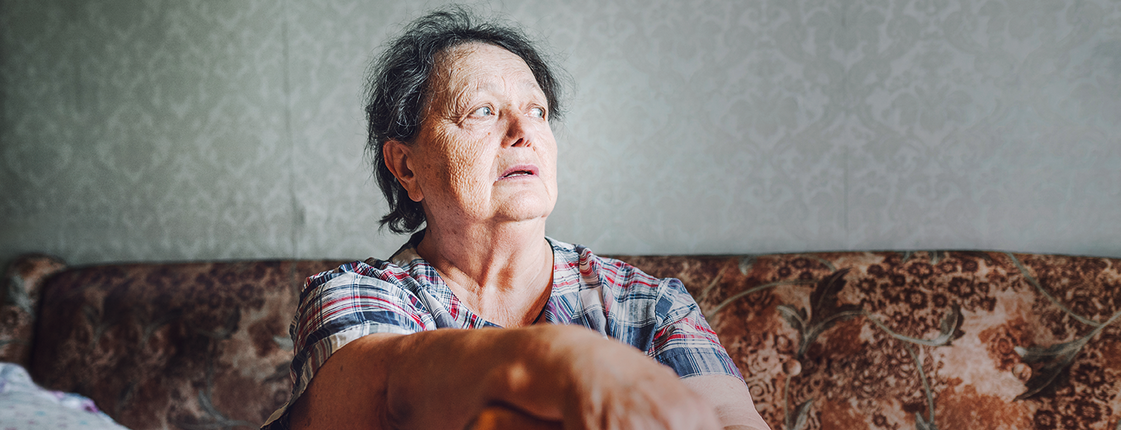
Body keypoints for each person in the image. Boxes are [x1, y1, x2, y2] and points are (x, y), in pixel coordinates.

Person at [262, 6, 770, 430]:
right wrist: (556, 360)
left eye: (538, 111)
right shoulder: (357, 294)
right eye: (482, 110)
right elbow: (388, 389)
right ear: (407, 166)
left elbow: (729, 419)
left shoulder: (650, 306)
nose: (523, 129)